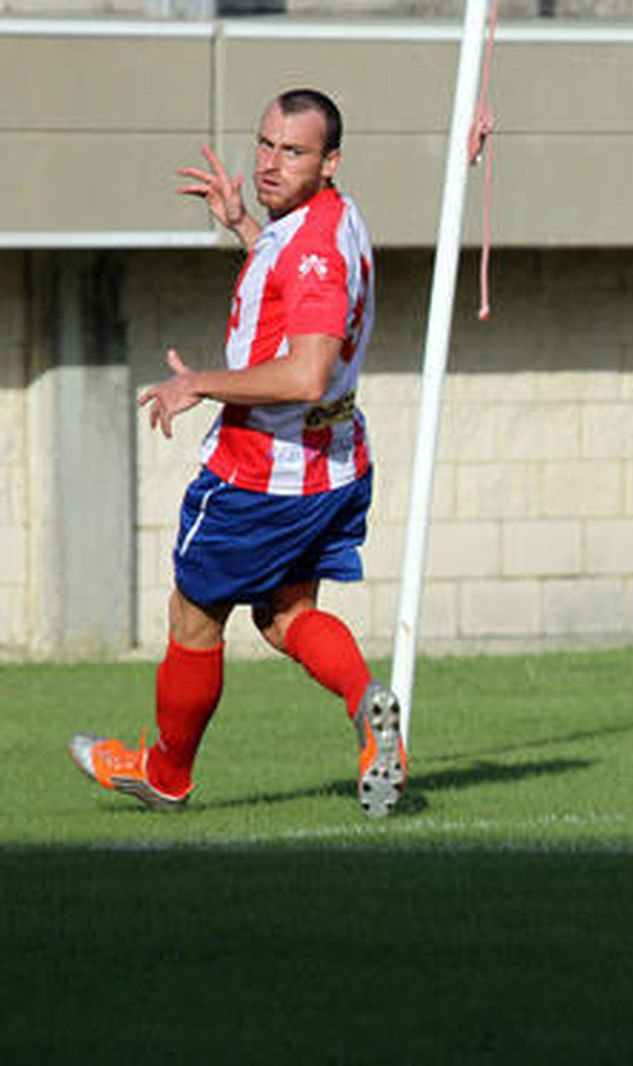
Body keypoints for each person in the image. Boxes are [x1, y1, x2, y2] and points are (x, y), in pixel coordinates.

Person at [68, 88, 407, 819]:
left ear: (331, 160)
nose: (270, 164)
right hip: (335, 464)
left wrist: (201, 384)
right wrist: (244, 225)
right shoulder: (331, 219)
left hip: (264, 469)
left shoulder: (311, 244)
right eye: (265, 145)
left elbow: (307, 371)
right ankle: (365, 700)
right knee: (285, 614)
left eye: (294, 152)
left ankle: (165, 774)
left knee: (194, 615)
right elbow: (298, 287)